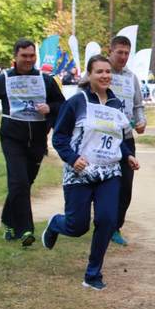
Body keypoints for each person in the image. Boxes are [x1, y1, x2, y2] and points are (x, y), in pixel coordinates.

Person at [43, 55, 140, 290]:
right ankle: (56, 224)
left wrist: (127, 154)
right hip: (80, 172)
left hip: (109, 173)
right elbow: (60, 137)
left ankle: (93, 273)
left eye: (108, 71)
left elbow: (119, 136)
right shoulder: (77, 102)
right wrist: (73, 158)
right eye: (99, 72)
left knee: (107, 220)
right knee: (78, 227)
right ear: (89, 75)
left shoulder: (117, 104)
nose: (105, 75)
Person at [0, 39, 66, 246]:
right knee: (18, 182)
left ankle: (8, 220)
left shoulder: (46, 80)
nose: (28, 60)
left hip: (37, 139)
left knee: (25, 183)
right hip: (12, 138)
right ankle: (26, 230)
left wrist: (50, 108)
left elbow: (62, 105)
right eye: (24, 56)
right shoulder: (3, 79)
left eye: (31, 56)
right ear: (15, 57)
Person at [108, 36, 147, 245]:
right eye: (119, 52)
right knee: (103, 183)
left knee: (125, 186)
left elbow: (138, 105)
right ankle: (102, 221)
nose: (123, 57)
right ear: (110, 51)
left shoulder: (131, 77)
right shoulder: (101, 72)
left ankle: (115, 227)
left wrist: (141, 121)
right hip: (102, 137)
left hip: (126, 138)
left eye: (126, 53)